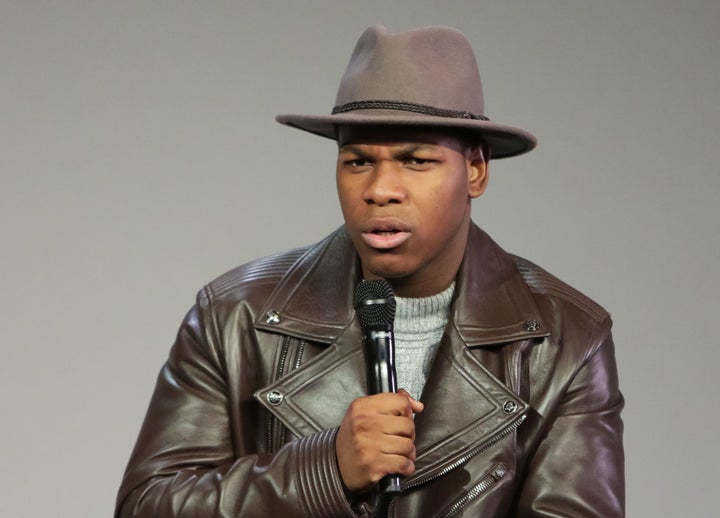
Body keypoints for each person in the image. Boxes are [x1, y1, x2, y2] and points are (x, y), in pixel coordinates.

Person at [115, 25, 624, 517]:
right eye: (357, 161)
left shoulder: (566, 339)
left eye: (416, 161)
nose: (380, 189)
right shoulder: (234, 317)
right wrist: (322, 472)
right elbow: (146, 506)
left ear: (475, 170)